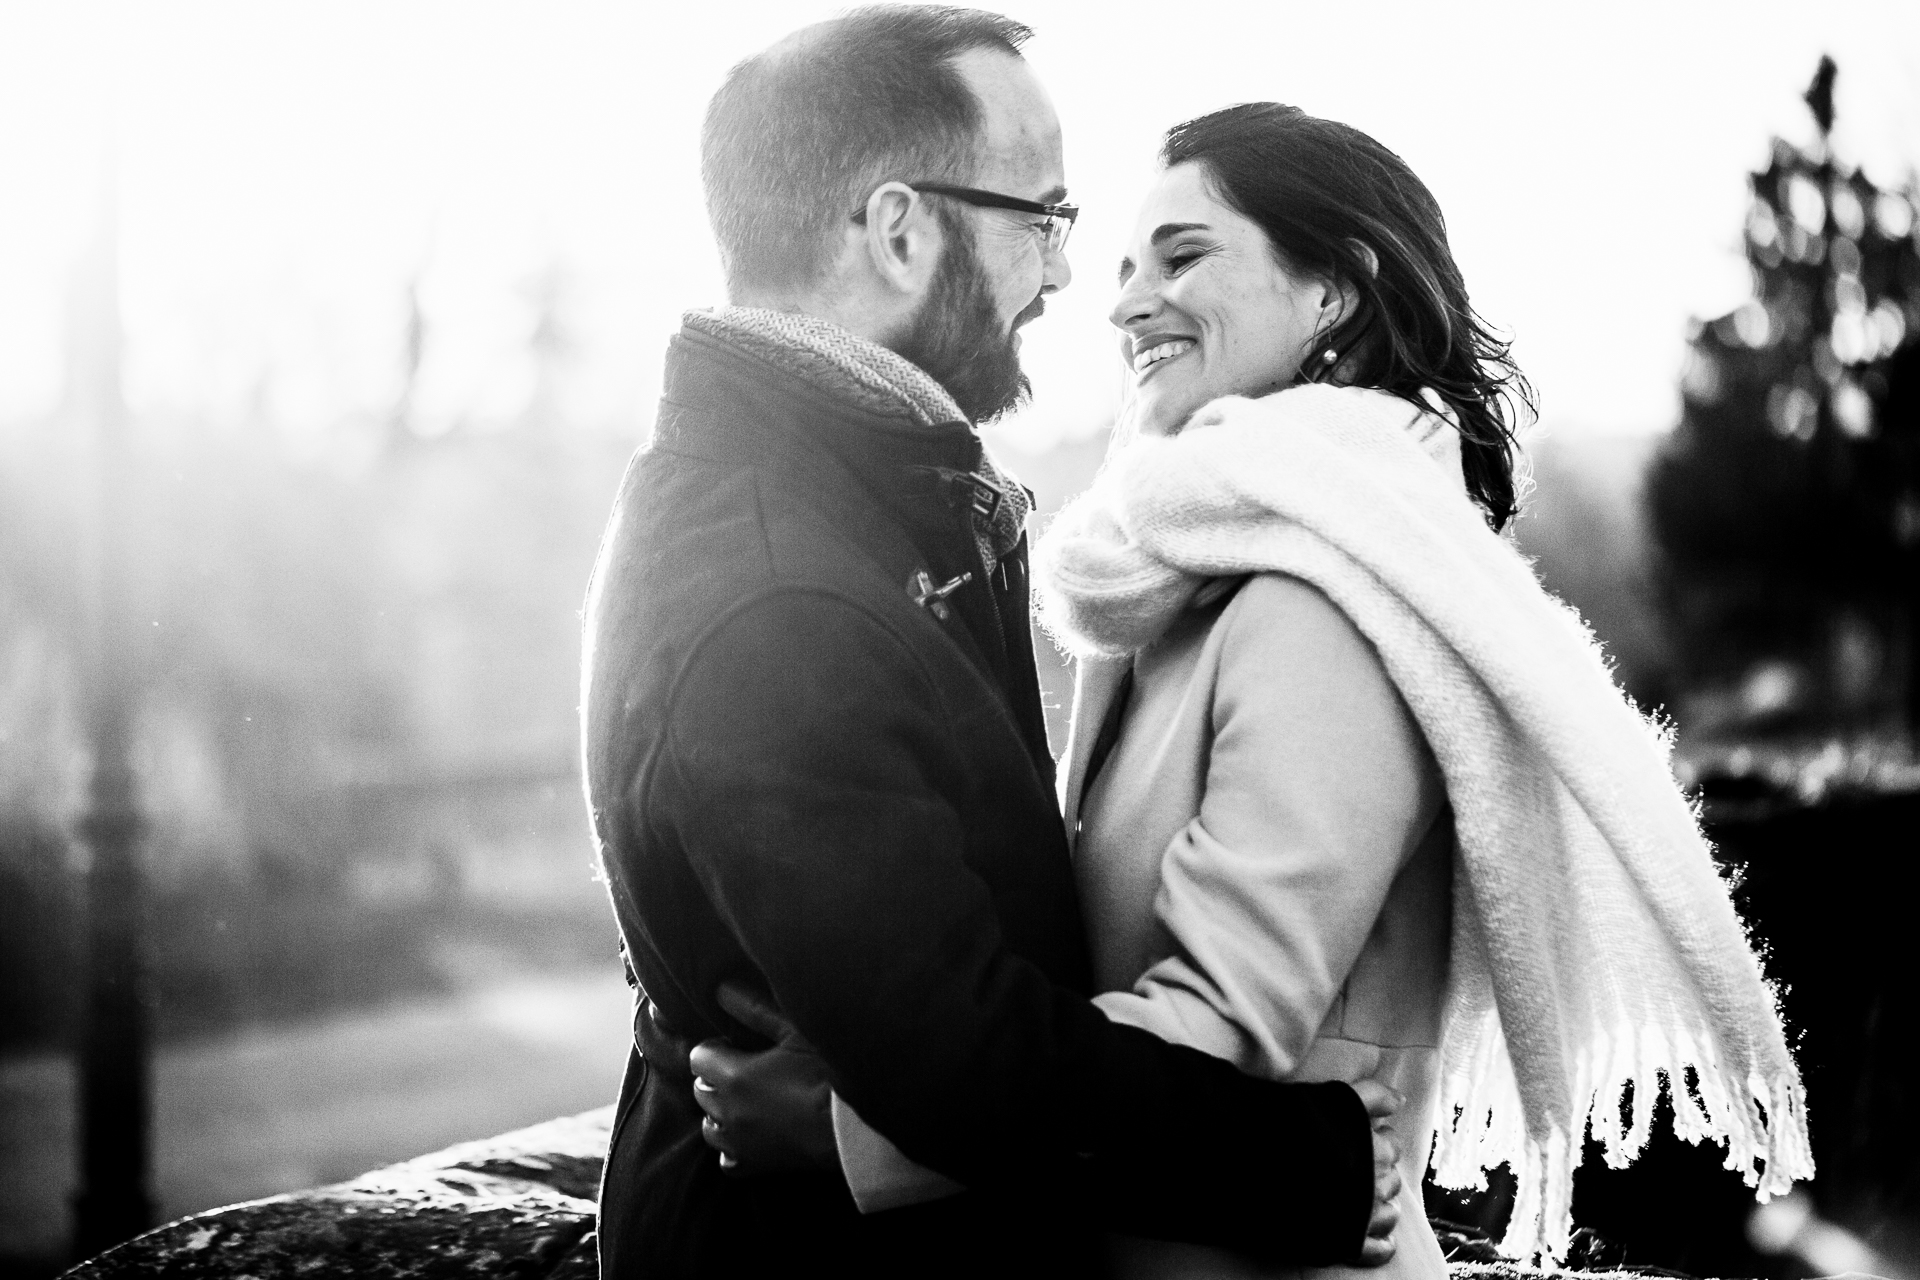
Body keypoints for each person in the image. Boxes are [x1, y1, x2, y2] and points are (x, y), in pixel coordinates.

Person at [701, 99, 1815, 1277]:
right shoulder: (1193, 583)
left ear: (1335, 288)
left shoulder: (1325, 601)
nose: (1127, 300)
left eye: (1185, 256)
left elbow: (1218, 1030)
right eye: (1125, 266)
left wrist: (852, 1134)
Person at [579, 11, 1402, 1278]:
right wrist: (1316, 1161)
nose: (1075, 280)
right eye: (1045, 219)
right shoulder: (782, 598)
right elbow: (961, 1060)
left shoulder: (858, 493)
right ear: (902, 229)